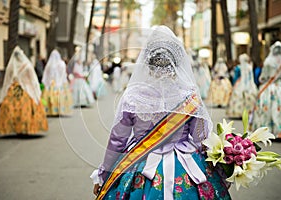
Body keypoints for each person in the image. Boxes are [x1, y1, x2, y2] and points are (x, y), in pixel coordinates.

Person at [90, 26, 231, 200]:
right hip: (186, 163)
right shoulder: (189, 96)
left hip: (139, 163)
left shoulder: (133, 97)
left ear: (147, 64)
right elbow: (202, 139)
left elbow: (117, 141)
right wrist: (223, 168)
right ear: (177, 64)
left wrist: (104, 175)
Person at [0, 46, 48, 135]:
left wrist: (3, 96)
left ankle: (16, 127)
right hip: (27, 90)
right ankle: (26, 127)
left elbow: (7, 82)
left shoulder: (11, 67)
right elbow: (33, 81)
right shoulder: (27, 66)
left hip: (14, 89)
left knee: (13, 108)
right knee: (26, 109)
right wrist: (36, 92)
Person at [251, 41, 281, 140]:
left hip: (269, 88)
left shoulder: (268, 61)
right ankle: (280, 131)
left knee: (266, 108)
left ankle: (267, 130)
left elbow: (263, 77)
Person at [41, 49, 73, 116]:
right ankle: (59, 110)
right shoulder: (61, 64)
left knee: (49, 97)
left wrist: (46, 83)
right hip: (60, 83)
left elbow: (46, 75)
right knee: (60, 97)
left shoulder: (49, 65)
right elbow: (64, 74)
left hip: (50, 84)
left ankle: (50, 111)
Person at [226, 54, 258, 118]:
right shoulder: (249, 67)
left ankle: (239, 112)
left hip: (241, 84)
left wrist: (237, 85)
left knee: (238, 96)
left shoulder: (240, 67)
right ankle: (248, 112)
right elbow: (251, 77)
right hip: (248, 84)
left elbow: (239, 77)